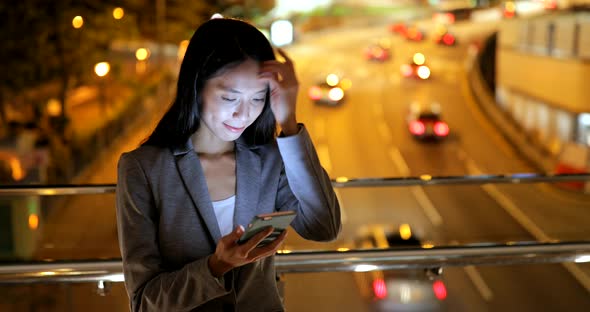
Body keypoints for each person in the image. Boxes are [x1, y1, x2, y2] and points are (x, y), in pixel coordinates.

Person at [116, 17, 341, 312]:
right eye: (229, 97)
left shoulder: (269, 158)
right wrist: (215, 266)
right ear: (196, 86)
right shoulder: (143, 169)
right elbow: (144, 303)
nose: (243, 114)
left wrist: (288, 124)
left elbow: (323, 226)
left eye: (258, 98)